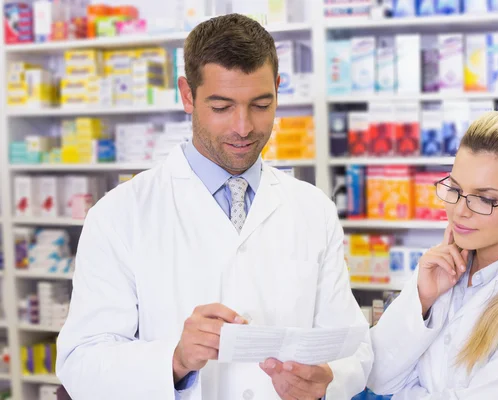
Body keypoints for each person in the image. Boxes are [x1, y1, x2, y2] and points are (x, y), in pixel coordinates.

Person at [56, 14, 373, 400]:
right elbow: (81, 362)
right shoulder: (119, 215)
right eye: (222, 107)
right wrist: (174, 359)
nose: (243, 127)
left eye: (261, 104)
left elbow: (353, 348)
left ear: (277, 88)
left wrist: (326, 380)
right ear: (188, 95)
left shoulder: (312, 209)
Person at [367, 111, 498, 399]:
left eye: (485, 198)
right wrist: (422, 300)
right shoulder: (438, 270)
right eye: (455, 189)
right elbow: (377, 376)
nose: (460, 210)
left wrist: (408, 391)